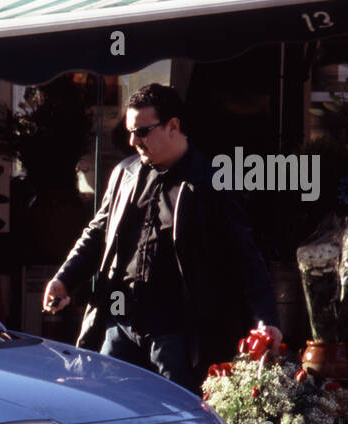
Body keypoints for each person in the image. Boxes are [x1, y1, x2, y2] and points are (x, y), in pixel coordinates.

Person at [43, 83, 281, 392]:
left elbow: (245, 256)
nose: (133, 141)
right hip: (120, 321)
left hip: (174, 332)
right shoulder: (124, 174)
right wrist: (64, 278)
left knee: (176, 416)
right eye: (130, 131)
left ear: (173, 127)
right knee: (105, 405)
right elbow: (97, 232)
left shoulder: (209, 183)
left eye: (142, 132)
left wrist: (266, 319)